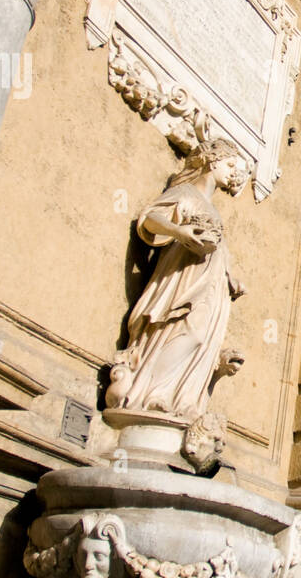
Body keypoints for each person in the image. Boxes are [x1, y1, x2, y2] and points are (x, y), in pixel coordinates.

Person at [106, 138, 249, 420]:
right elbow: (150, 219)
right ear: (212, 160)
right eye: (230, 164)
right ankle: (151, 395)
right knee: (186, 333)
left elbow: (219, 251)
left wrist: (231, 277)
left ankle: (177, 398)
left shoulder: (213, 210)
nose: (234, 173)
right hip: (182, 283)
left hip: (209, 288)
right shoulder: (185, 193)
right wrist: (179, 232)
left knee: (200, 340)